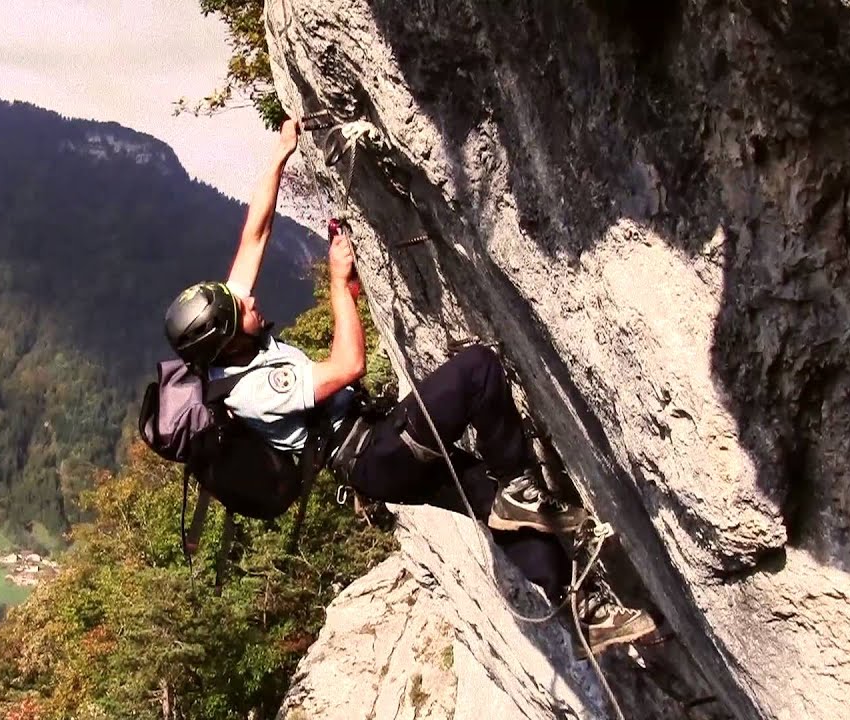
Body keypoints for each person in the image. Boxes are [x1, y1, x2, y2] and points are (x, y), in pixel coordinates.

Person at [162, 118, 655, 653]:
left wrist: (280, 154)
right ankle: (520, 485)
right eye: (240, 308)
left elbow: (254, 234)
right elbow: (348, 366)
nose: (250, 299)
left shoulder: (229, 344)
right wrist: (339, 285)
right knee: (478, 370)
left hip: (376, 455)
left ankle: (585, 612)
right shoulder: (252, 389)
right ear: (227, 338)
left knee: (487, 501)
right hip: (375, 452)